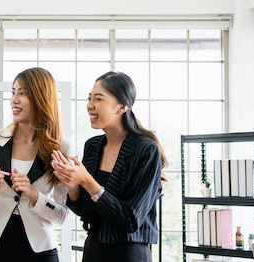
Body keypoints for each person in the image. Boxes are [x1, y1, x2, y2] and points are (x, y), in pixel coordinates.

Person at [50, 71, 167, 262]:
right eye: (89, 98)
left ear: (121, 107)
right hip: (93, 250)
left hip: (129, 254)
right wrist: (72, 186)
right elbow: (86, 212)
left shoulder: (146, 150)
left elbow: (131, 220)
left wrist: (86, 180)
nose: (90, 105)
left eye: (98, 98)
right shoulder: (93, 146)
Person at [0, 67, 72, 262]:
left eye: (22, 93)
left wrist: (34, 195)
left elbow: (63, 216)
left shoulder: (62, 149)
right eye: (13, 92)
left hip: (40, 249)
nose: (14, 100)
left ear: (41, 98)